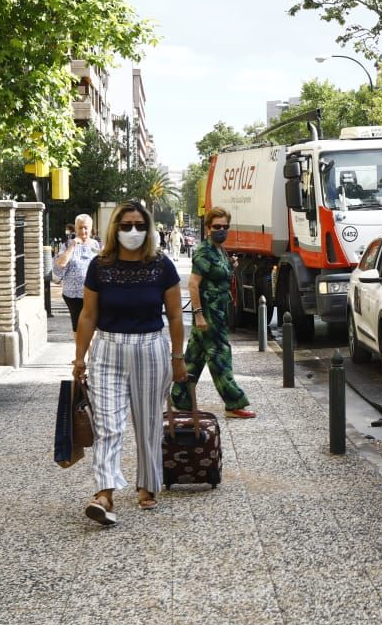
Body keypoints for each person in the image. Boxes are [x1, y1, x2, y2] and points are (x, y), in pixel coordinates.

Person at [73, 201, 186, 525]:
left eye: (139, 225)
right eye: (126, 225)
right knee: (108, 424)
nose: (133, 231)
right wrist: (79, 357)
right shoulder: (101, 266)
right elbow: (88, 314)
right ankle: (104, 493)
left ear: (148, 229)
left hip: (150, 348)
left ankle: (147, 484)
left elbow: (176, 316)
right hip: (107, 350)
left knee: (148, 423)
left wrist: (178, 358)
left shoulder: (161, 266)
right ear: (115, 229)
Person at [172, 207, 255, 420]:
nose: (221, 230)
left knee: (195, 357)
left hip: (218, 311)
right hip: (209, 313)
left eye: (225, 227)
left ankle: (180, 398)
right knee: (220, 356)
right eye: (217, 226)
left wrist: (230, 264)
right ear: (208, 228)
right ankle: (233, 402)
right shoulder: (204, 251)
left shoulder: (220, 250)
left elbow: (218, 275)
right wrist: (199, 314)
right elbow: (193, 285)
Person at [52, 213, 101, 332]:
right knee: (79, 328)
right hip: (73, 295)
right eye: (80, 227)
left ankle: (88, 350)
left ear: (90, 229)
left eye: (86, 227)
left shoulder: (96, 245)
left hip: (93, 294)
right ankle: (83, 350)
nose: (83, 231)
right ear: (75, 228)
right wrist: (73, 246)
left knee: (92, 328)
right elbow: (59, 267)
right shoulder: (68, 245)